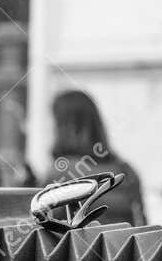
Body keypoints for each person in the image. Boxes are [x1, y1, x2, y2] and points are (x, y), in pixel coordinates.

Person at [46, 89, 146, 226]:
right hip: (123, 245)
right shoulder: (126, 170)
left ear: (62, 126)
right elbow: (141, 224)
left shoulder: (61, 172)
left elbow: (42, 231)